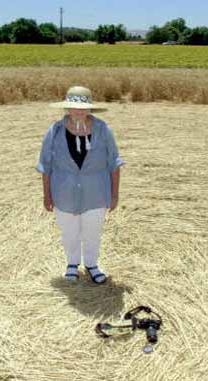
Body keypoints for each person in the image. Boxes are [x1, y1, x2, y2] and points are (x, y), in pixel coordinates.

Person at [36, 86, 125, 284]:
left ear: (90, 109)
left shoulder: (103, 130)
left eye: (83, 107)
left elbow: (114, 163)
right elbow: (46, 165)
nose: (79, 111)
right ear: (67, 108)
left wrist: (114, 195)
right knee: (69, 231)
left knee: (93, 231)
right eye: (74, 107)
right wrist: (47, 195)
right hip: (63, 192)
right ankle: (72, 264)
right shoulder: (55, 131)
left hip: (97, 192)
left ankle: (92, 265)